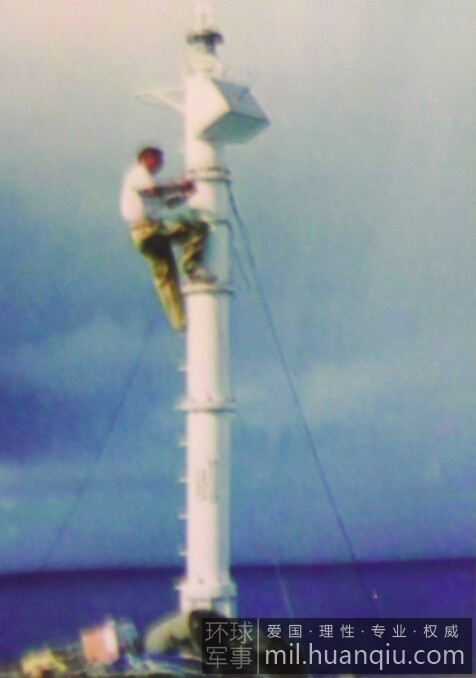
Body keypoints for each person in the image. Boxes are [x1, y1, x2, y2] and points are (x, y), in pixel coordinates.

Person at [120, 146, 215, 332]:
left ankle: (180, 322)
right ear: (147, 158)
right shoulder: (138, 173)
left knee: (166, 277)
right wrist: (180, 186)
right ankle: (191, 267)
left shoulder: (144, 180)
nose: (161, 164)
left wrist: (185, 195)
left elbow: (167, 203)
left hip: (143, 236)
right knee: (196, 227)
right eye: (158, 159)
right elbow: (153, 191)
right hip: (148, 229)